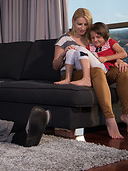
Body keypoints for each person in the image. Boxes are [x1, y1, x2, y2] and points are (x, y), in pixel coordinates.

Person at [52, 8, 128, 139]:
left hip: (98, 71)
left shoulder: (92, 38)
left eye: (86, 24)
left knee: (123, 71)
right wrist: (64, 53)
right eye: (79, 24)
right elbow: (55, 66)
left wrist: (120, 60)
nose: (82, 28)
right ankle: (110, 119)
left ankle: (126, 114)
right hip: (73, 73)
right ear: (73, 22)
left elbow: (105, 53)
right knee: (97, 71)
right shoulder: (65, 38)